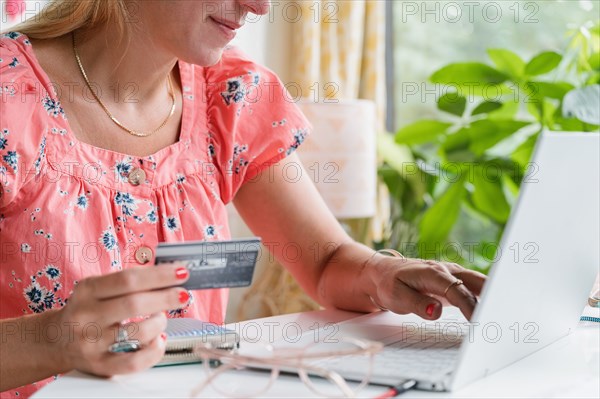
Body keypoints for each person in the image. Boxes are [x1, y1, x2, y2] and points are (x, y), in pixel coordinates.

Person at [0, 0, 486, 397]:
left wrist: (381, 273)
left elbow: (327, 262)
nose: (258, 6)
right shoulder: (8, 98)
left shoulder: (229, 97)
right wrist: (52, 339)